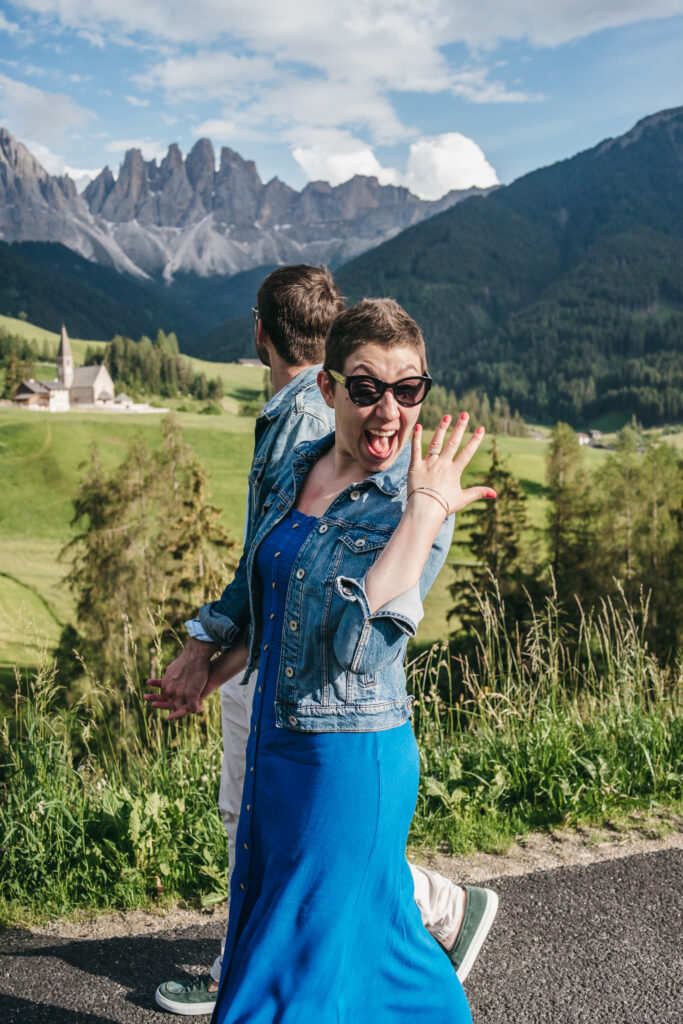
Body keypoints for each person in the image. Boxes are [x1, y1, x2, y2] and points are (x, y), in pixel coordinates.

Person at [149, 281, 497, 1017]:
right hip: (277, 748)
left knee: (281, 981)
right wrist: (212, 662)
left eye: (408, 390)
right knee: (383, 959)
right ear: (329, 386)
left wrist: (424, 512)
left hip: (346, 764)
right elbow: (266, 589)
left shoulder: (416, 504)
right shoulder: (296, 462)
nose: (389, 411)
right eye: (367, 388)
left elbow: (356, 650)